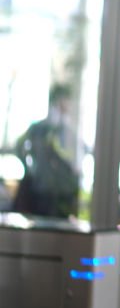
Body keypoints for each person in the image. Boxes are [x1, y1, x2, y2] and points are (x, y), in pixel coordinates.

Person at [13, 83, 81, 218]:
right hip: (53, 191)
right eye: (67, 100)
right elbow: (71, 162)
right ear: (59, 100)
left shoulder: (39, 128)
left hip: (44, 187)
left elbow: (19, 147)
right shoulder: (59, 130)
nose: (69, 105)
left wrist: (30, 168)